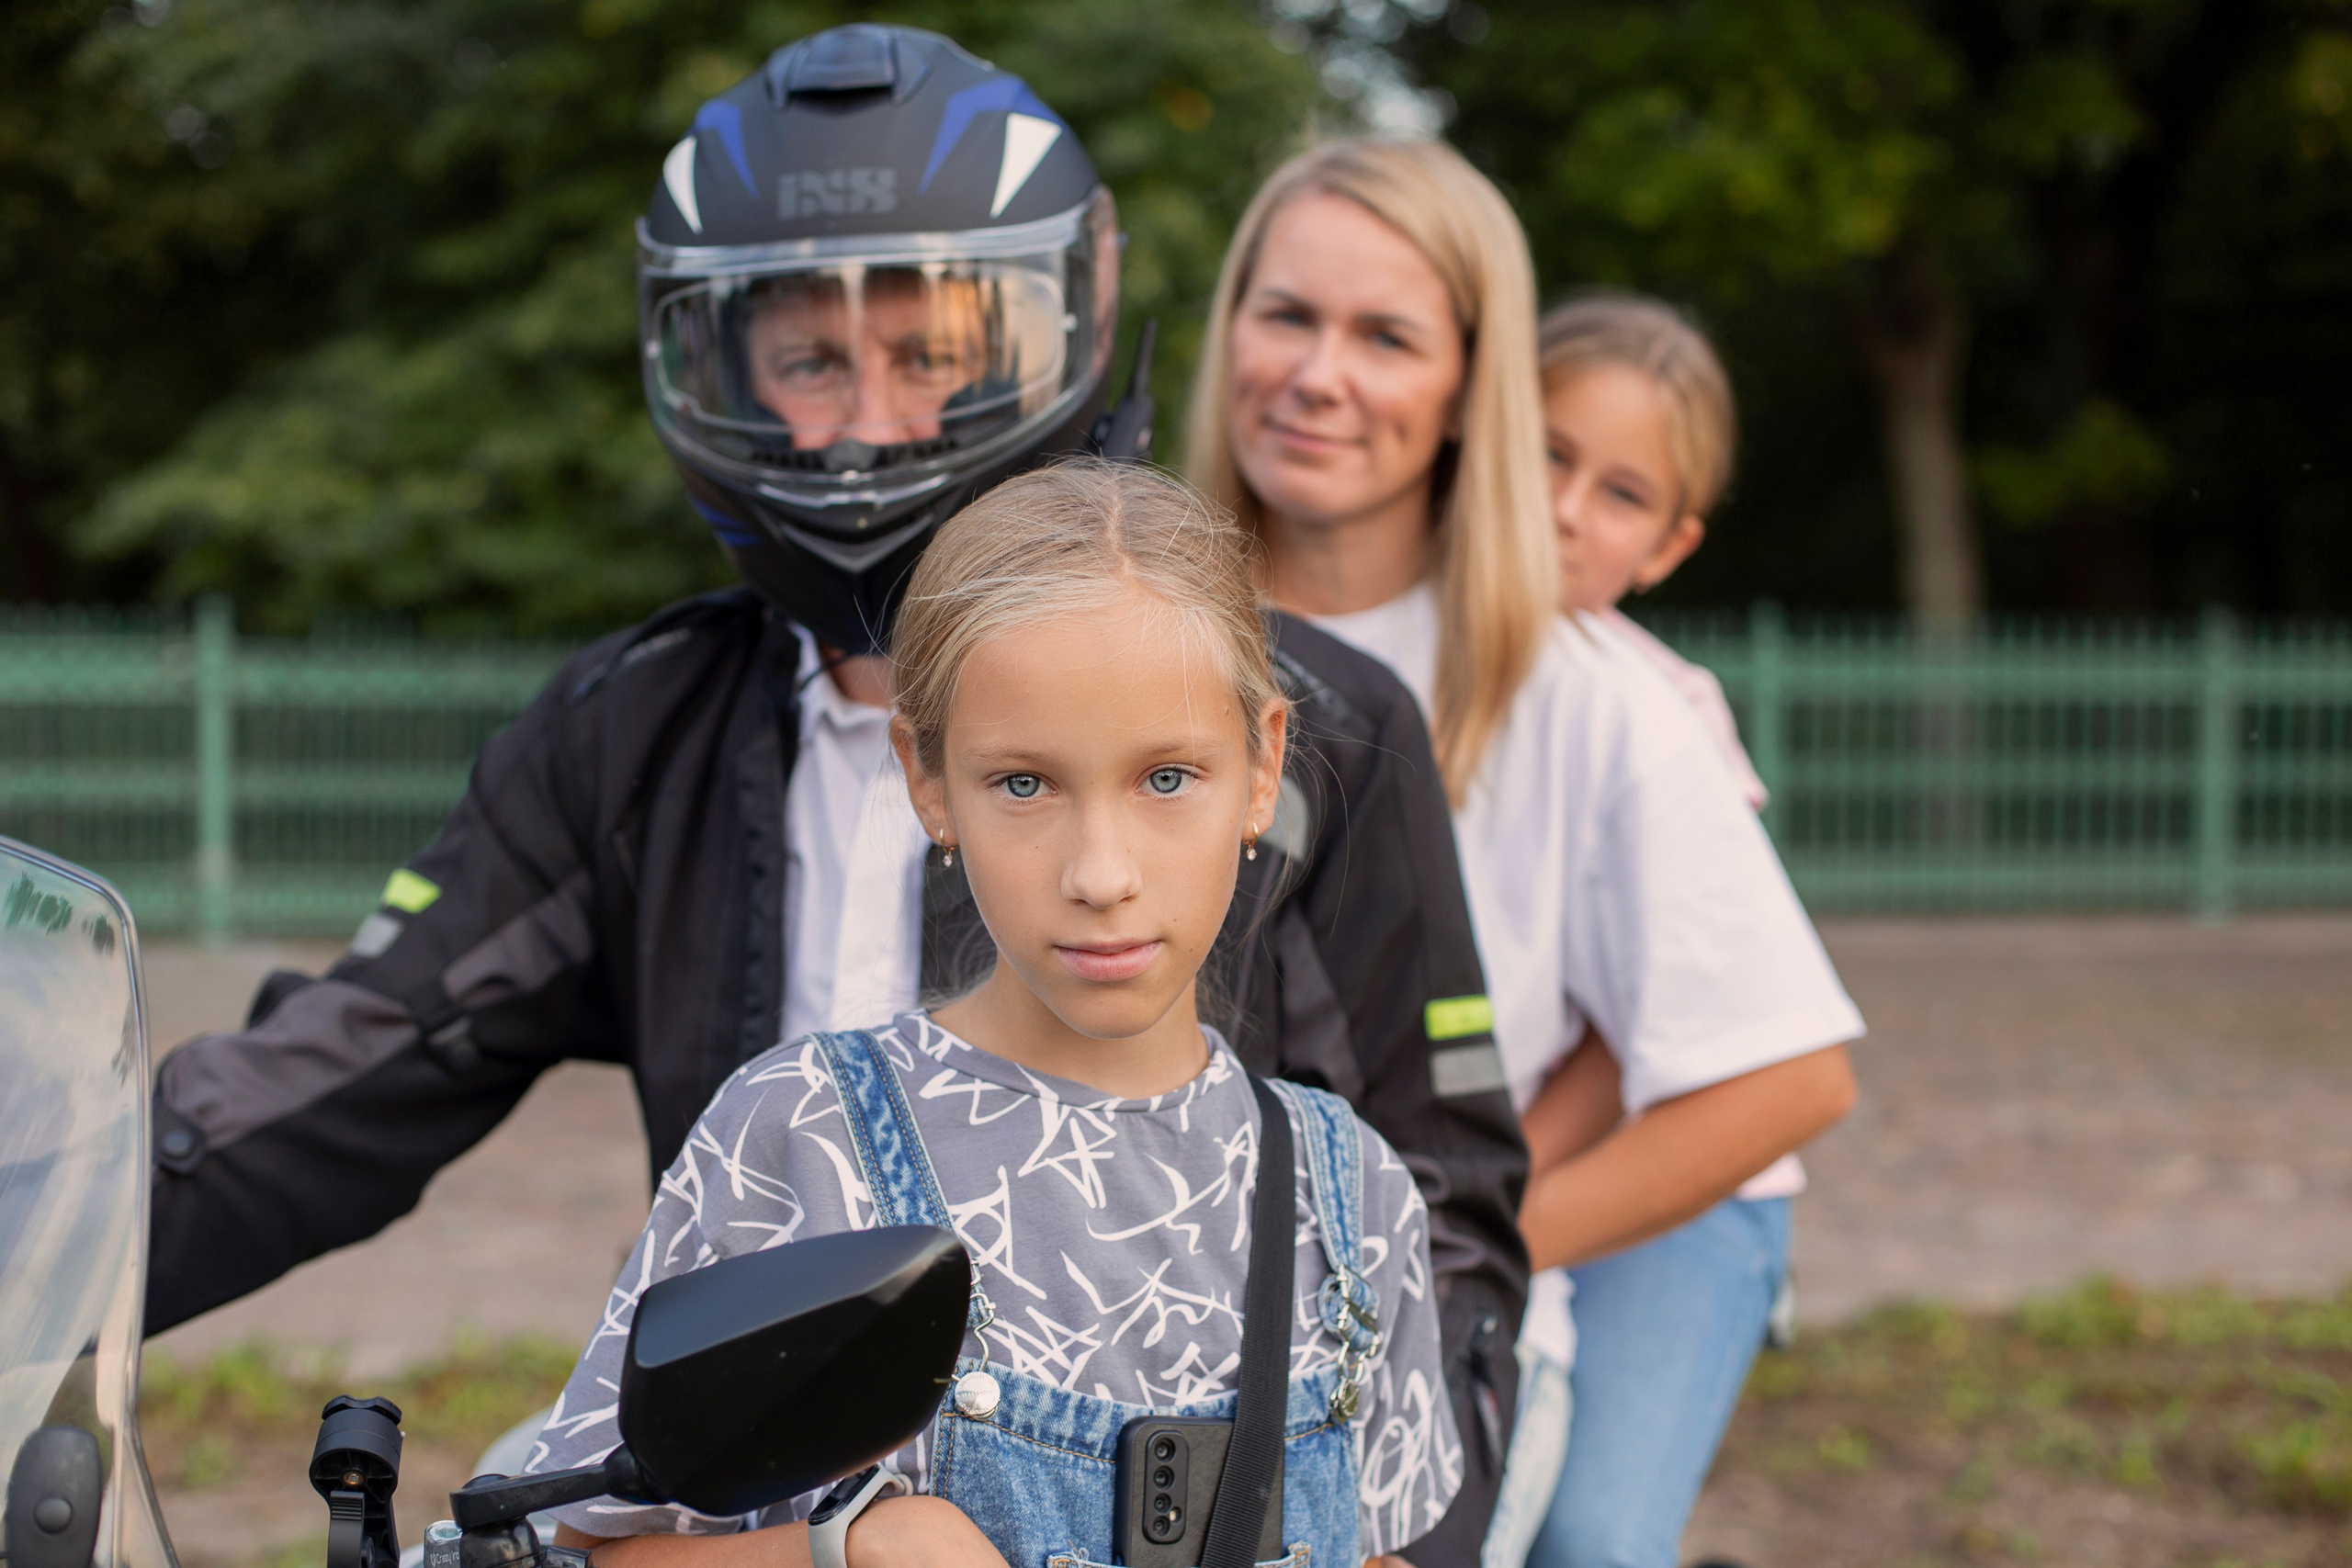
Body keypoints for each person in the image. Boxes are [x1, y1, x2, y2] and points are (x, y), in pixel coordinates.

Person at [141, 29, 1524, 1562]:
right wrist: (49, 1225)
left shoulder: (1313, 724)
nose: (864, 422)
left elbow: (1444, 1210)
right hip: (748, 1489)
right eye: (806, 358)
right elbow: (334, 1077)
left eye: (929, 352)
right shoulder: (630, 730)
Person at [530, 460, 1455, 1568]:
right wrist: (854, 1553)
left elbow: (1375, 1544)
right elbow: (600, 1550)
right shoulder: (798, 1138)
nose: (1101, 873)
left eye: (1167, 778)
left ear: (1262, 767)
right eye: (1024, 784)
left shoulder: (1350, 1191)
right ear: (928, 781)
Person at [1183, 140, 1863, 1568]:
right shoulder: (1115, 629)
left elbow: (1776, 1069)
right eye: (1287, 313)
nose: (1318, 373)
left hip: (1433, 1290)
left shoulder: (1593, 695)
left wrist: (1449, 1263)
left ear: (1468, 384)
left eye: (1386, 335)